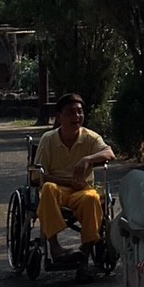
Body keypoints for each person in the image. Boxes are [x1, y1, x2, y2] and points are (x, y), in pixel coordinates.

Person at [36, 92, 116, 264]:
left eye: (80, 112)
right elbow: (38, 177)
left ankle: (84, 255)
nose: (77, 116)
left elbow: (109, 153)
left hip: (82, 189)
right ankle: (55, 248)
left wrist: (88, 159)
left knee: (92, 197)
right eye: (71, 112)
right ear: (59, 117)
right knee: (48, 188)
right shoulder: (48, 139)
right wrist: (68, 182)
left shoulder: (90, 137)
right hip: (58, 188)